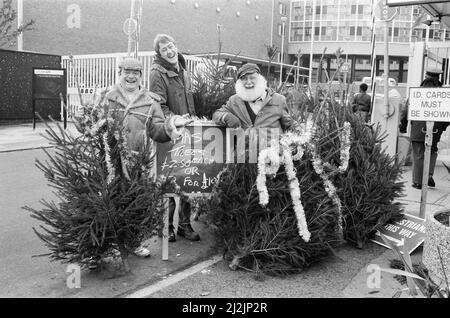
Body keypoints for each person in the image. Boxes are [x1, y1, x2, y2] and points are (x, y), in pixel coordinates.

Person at [94, 57, 192, 261]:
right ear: (120, 73)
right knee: (108, 204)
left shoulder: (150, 101)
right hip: (110, 161)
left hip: (138, 162)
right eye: (127, 72)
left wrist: (171, 126)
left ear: (140, 76)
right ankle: (106, 247)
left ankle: (133, 242)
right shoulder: (107, 97)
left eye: (135, 73)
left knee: (134, 203)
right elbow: (94, 124)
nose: (131, 76)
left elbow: (157, 129)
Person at [149, 34, 200, 243]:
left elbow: (189, 99)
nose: (169, 51)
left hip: (188, 131)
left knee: (188, 176)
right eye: (164, 49)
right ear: (159, 54)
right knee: (169, 178)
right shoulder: (157, 72)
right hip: (170, 131)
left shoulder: (182, 67)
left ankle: (185, 225)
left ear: (175, 46)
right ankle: (167, 226)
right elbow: (157, 105)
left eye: (171, 47)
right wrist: (175, 121)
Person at [399, 67, 450, 189]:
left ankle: (418, 181)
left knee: (418, 154)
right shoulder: (442, 94)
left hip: (418, 129)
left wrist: (403, 126)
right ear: (438, 78)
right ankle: (428, 175)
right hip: (435, 129)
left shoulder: (418, 92)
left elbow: (406, 111)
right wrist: (442, 127)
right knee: (432, 151)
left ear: (425, 77)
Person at [212, 63, 294, 131]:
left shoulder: (278, 100)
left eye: (252, 78)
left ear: (260, 79)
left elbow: (289, 125)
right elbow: (217, 114)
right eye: (244, 79)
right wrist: (226, 116)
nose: (248, 82)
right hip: (245, 149)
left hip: (272, 149)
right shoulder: (234, 100)